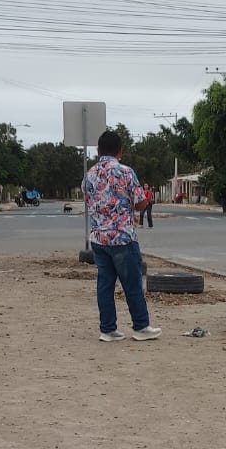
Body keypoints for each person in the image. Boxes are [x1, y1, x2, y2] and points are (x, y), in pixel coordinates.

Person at [82, 130, 161, 342]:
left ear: (98, 151)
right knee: (132, 283)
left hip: (98, 238)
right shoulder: (125, 172)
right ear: (120, 151)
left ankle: (108, 330)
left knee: (105, 284)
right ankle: (141, 327)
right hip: (122, 237)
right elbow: (141, 203)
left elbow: (88, 200)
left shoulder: (89, 175)